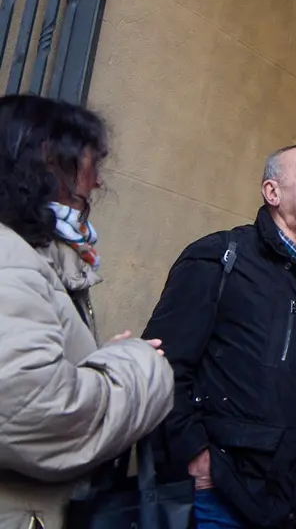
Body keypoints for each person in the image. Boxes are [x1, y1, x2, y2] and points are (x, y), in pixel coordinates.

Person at [143, 144, 296, 529]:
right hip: (225, 495)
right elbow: (162, 365)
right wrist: (197, 457)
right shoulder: (220, 257)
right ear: (272, 192)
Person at [0, 95, 173, 529]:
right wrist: (136, 364)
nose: (97, 183)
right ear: (46, 160)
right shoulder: (8, 259)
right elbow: (36, 413)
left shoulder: (31, 257)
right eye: (91, 164)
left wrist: (97, 362)